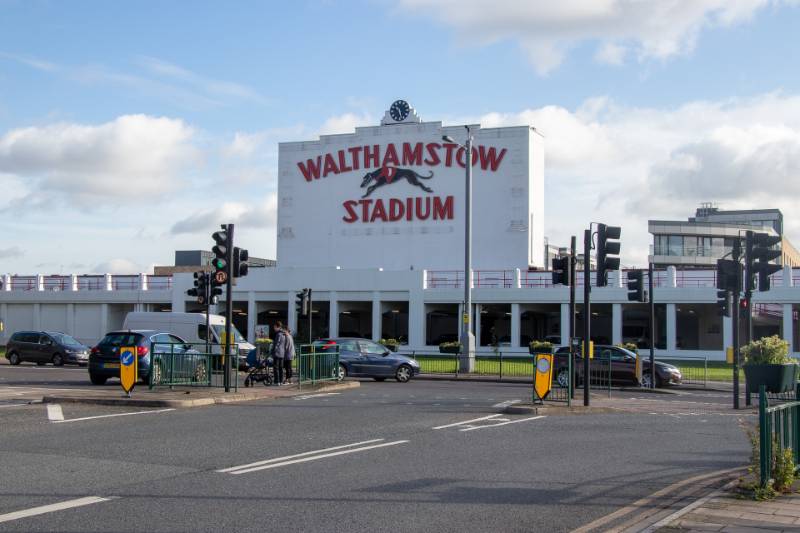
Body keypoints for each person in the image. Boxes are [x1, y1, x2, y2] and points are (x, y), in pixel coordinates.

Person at [272, 321, 286, 386]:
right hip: (282, 353)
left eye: (274, 327)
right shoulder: (284, 334)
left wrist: (273, 350)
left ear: (277, 327)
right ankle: (281, 381)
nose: (274, 328)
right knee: (281, 367)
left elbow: (277, 343)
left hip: (277, 353)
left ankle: (277, 381)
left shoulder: (278, 334)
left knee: (276, 367)